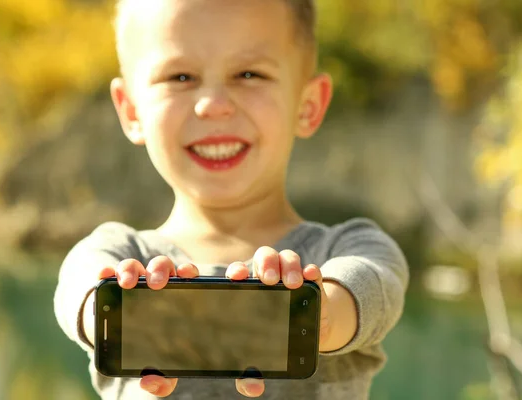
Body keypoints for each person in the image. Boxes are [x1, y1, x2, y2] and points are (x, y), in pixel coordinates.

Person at [53, 0, 409, 398]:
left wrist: (311, 315)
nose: (214, 105)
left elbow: (374, 288)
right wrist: (126, 314)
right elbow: (79, 296)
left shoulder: (349, 248)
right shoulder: (114, 253)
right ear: (132, 111)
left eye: (248, 73)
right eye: (181, 76)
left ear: (307, 105)